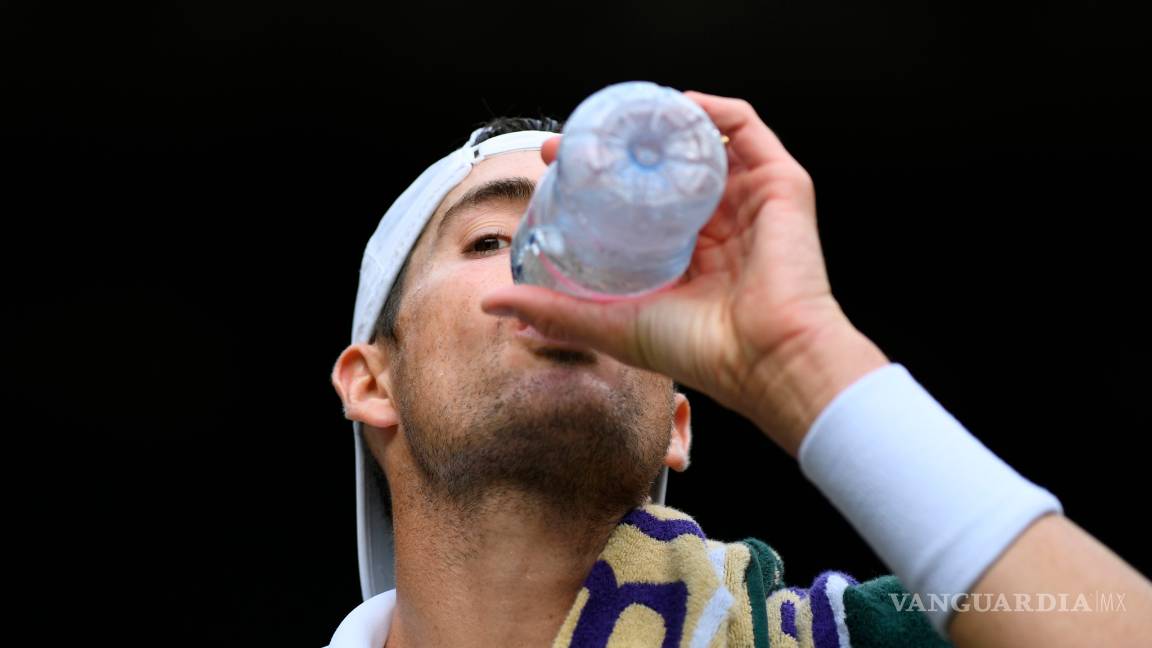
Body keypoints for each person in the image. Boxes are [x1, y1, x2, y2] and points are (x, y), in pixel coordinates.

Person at [328, 91, 1152, 647]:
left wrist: (802, 360)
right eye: (491, 242)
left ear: (676, 427)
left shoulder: (862, 630)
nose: (558, 277)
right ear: (372, 381)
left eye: (621, 264)